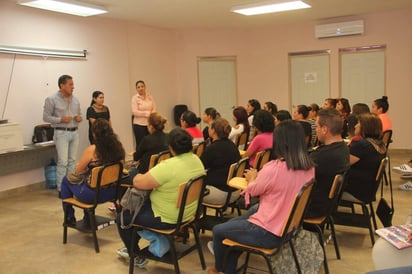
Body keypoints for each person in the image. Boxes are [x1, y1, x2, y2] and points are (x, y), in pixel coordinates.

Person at [207, 120, 315, 274]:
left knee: (218, 230)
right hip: (289, 226)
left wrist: (253, 178)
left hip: (268, 233)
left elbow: (253, 190)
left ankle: (221, 270)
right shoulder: (309, 166)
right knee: (253, 210)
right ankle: (231, 247)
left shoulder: (273, 168)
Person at [116, 128, 205, 268]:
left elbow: (139, 183)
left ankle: (136, 254)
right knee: (139, 208)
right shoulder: (196, 160)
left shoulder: (168, 166)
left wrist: (134, 173)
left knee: (124, 217)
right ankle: (153, 240)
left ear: (170, 147)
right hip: (189, 213)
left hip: (168, 218)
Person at [61, 119, 125, 224]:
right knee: (90, 181)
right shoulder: (118, 147)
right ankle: (87, 216)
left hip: (93, 196)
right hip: (114, 191)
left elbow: (78, 171)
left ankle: (69, 217)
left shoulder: (93, 150)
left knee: (66, 181)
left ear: (94, 134)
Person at [305, 109, 350, 218]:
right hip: (325, 205)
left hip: (310, 208)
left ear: (325, 129)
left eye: (317, 127)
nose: (316, 131)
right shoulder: (343, 147)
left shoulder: (322, 156)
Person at [43, 74, 82, 195]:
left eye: (73, 84)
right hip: (61, 133)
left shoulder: (75, 99)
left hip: (74, 132)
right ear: (62, 85)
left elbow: (80, 114)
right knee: (63, 162)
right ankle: (61, 189)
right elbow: (46, 117)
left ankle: (71, 187)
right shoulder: (51, 99)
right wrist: (60, 119)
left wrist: (79, 118)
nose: (73, 87)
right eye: (70, 84)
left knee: (72, 161)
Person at [342, 113, 387, 203]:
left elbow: (342, 164)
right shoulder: (379, 144)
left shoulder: (362, 145)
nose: (355, 126)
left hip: (357, 190)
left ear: (365, 127)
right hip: (367, 190)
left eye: (358, 123)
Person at [200, 118, 241, 204]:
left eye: (209, 127)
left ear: (213, 131)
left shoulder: (212, 148)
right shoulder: (232, 145)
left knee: (188, 193)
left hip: (222, 193)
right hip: (236, 189)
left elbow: (200, 167)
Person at [131, 80, 156, 148]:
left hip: (150, 124)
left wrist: (151, 115)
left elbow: (154, 109)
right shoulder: (135, 98)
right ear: (136, 89)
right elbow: (135, 112)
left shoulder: (150, 96)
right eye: (138, 87)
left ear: (145, 87)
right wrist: (147, 113)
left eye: (142, 86)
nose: (141, 88)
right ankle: (140, 158)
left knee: (151, 143)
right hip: (139, 125)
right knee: (141, 144)